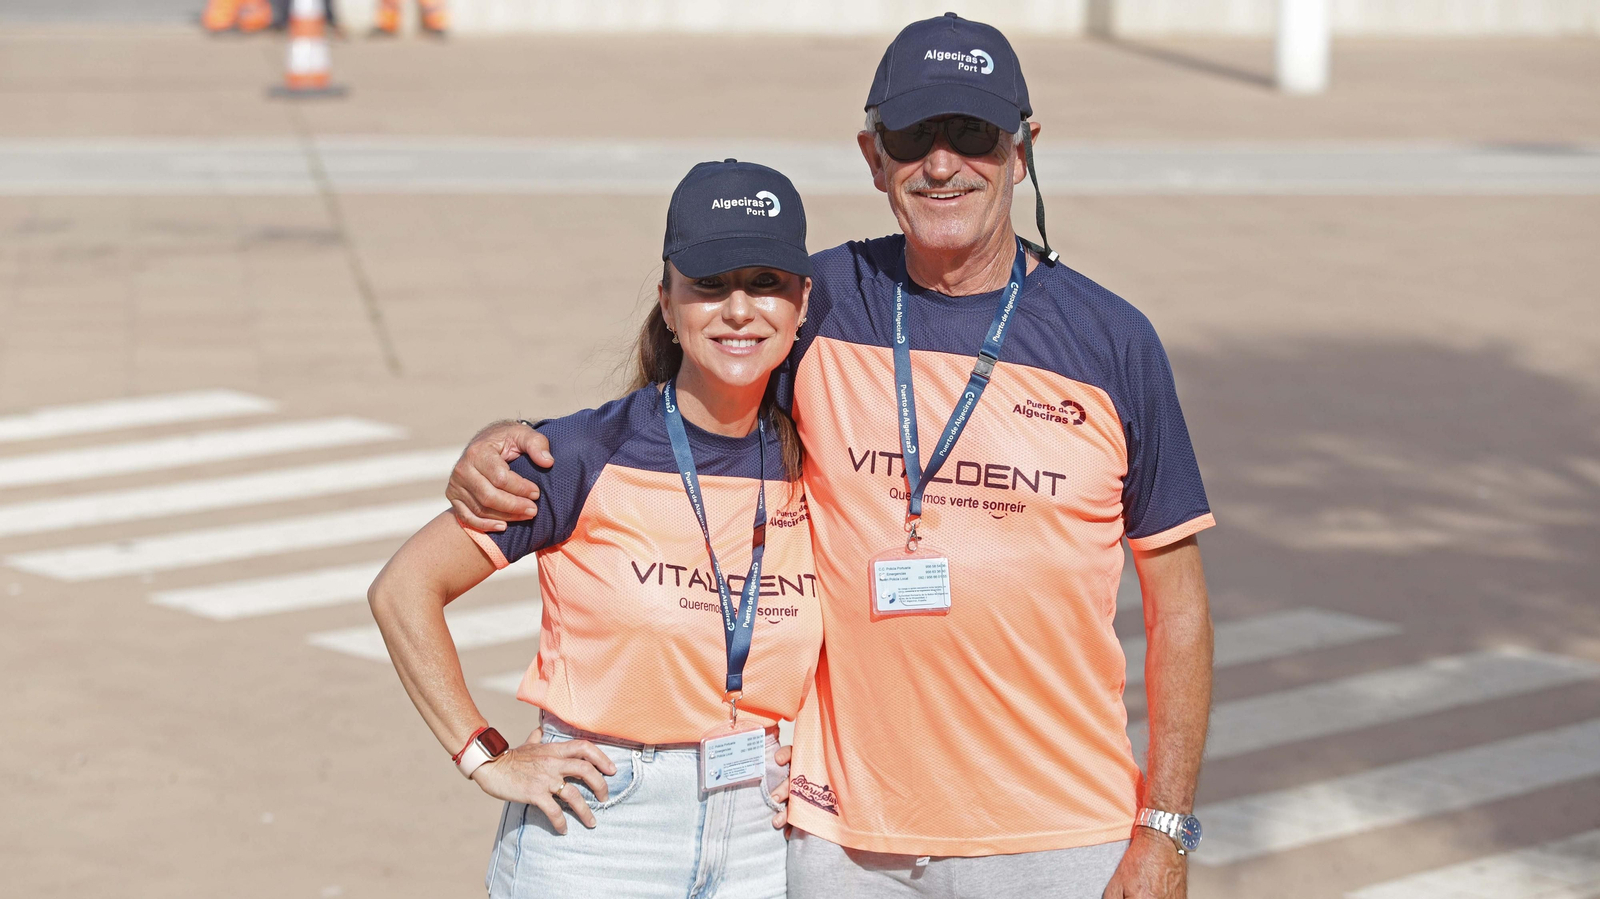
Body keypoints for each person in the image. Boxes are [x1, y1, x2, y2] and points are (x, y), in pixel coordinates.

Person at [448, 13, 1215, 899]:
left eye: (971, 133)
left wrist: (1165, 828)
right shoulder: (815, 301)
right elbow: (685, 377)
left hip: (1059, 838)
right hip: (844, 844)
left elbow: (1179, 608)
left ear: (1023, 147)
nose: (940, 163)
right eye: (910, 136)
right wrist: (512, 444)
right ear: (871, 154)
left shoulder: (1111, 341)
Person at [369, 159, 821, 899]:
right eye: (709, 284)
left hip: (765, 831)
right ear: (668, 306)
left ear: (802, 302)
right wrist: (482, 752)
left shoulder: (823, 454)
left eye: (765, 282)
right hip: (602, 823)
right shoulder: (584, 452)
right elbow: (403, 587)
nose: (739, 309)